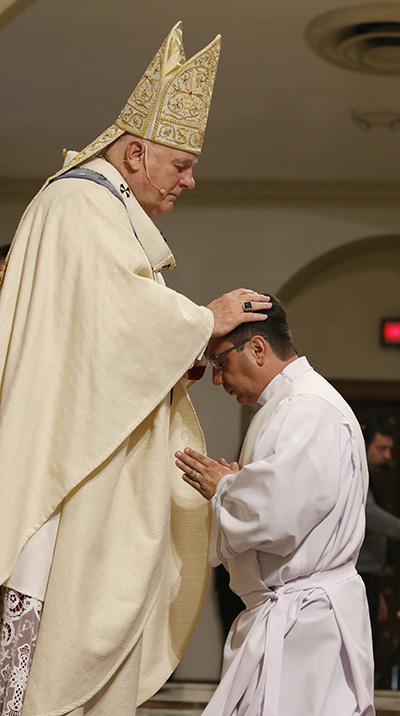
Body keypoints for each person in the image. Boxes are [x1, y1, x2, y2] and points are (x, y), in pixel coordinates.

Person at [0, 22, 272, 716]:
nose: (191, 178)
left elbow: (98, 343)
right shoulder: (82, 202)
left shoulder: (97, 206)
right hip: (64, 476)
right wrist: (205, 318)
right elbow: (120, 318)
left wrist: (179, 354)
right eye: (180, 164)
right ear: (134, 150)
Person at [175, 296, 375, 716]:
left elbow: (280, 515)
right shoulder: (295, 405)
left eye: (218, 362)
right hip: (295, 619)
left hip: (306, 626)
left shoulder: (306, 408)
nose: (216, 379)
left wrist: (225, 489)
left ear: (258, 349)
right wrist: (239, 484)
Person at [357, 415, 398, 648]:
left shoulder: (367, 476)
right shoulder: (354, 473)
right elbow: (368, 515)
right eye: (382, 448)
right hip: (358, 576)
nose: (388, 456)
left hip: (367, 576)